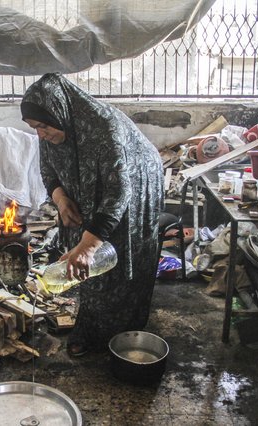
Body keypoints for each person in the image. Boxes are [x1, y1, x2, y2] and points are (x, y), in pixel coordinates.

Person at [21, 73, 164, 356]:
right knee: (85, 263)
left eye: (41, 126)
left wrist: (88, 246)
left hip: (135, 184)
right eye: (33, 127)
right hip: (89, 190)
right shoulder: (49, 125)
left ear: (59, 113)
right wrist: (61, 200)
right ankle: (91, 327)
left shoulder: (104, 128)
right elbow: (48, 171)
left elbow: (118, 193)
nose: (39, 133)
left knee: (121, 259)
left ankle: (126, 331)